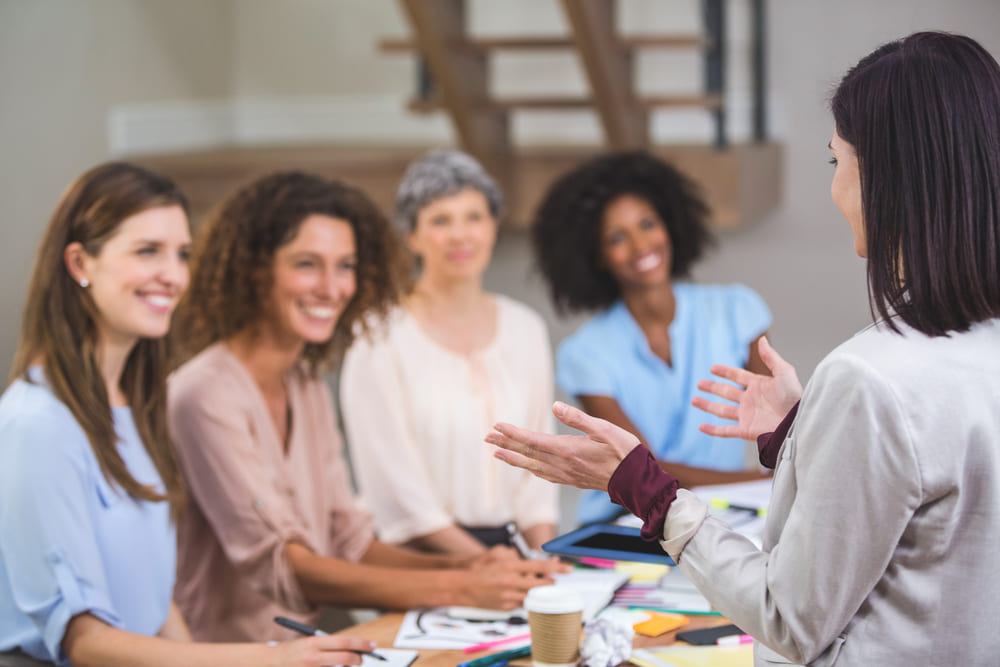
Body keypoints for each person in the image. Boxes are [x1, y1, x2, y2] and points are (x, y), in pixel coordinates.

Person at [486, 31, 1000, 666]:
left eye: (836, 161)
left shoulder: (869, 377)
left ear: (886, 177)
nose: (835, 187)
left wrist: (653, 493)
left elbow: (789, 617)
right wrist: (800, 437)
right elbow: (930, 525)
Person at [0, 162, 376, 666]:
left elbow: (156, 609)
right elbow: (84, 642)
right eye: (147, 251)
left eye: (182, 254)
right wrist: (273, 660)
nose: (173, 275)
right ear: (80, 263)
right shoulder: (38, 424)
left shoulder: (132, 411)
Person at [167, 170, 566, 643]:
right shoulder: (203, 394)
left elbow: (347, 540)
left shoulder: (306, 386)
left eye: (346, 266)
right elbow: (286, 567)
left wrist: (472, 562)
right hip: (219, 653)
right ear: (256, 269)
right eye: (307, 264)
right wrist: (460, 584)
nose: (332, 287)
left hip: (299, 648)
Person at [531, 151, 773, 525]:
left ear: (669, 224)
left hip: (722, 517)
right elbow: (642, 471)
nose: (641, 245)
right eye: (616, 237)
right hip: (627, 526)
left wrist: (775, 480)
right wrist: (758, 483)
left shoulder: (737, 310)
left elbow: (778, 427)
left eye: (647, 223)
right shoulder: (585, 353)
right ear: (597, 256)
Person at [340, 149, 559, 557]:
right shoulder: (377, 335)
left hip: (512, 553)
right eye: (440, 220)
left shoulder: (525, 328)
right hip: (416, 555)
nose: (460, 235)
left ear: (493, 226)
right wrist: (483, 565)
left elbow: (539, 461)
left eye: (473, 217)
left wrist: (544, 557)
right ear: (412, 236)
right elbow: (394, 485)